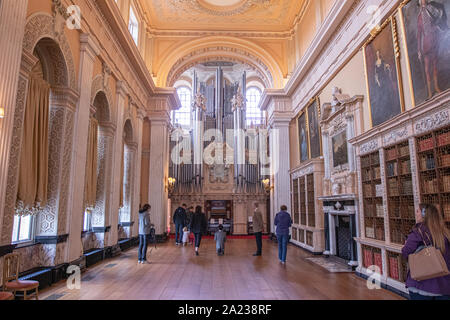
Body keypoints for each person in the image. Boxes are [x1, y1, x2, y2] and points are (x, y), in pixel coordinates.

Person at [402, 203, 450, 300]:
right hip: (444, 285)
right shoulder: (445, 232)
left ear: (424, 214)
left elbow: (405, 252)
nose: (416, 214)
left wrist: (406, 244)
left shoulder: (418, 232)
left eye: (418, 211)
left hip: (422, 284)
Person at [417, 0, 448, 99]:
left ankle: (436, 87)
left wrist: (436, 28)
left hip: (434, 40)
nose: (423, 1)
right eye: (421, 0)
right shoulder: (419, 17)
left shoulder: (431, 10)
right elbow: (419, 35)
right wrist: (418, 50)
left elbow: (438, 19)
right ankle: (430, 92)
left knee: (435, 66)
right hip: (426, 44)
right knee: (427, 69)